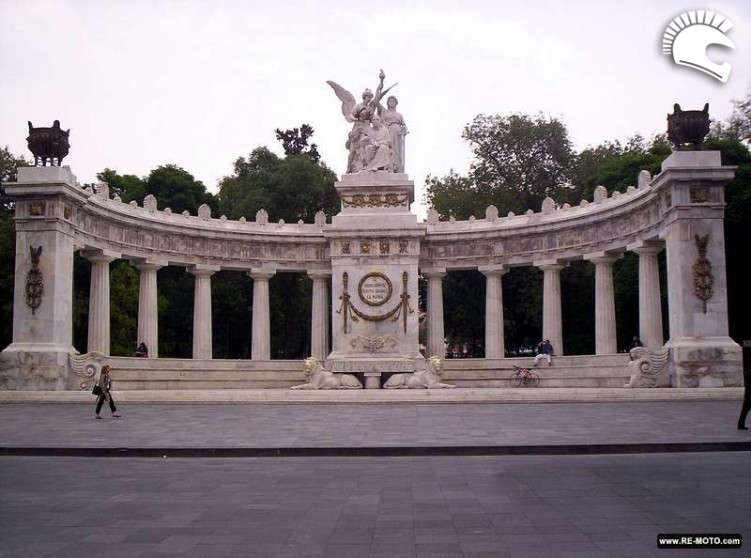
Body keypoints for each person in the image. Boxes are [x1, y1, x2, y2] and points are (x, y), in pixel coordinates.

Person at [378, 95, 408, 173]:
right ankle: (389, 165)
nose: (391, 103)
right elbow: (380, 122)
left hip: (398, 133)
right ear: (387, 103)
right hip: (388, 131)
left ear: (396, 103)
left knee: (397, 150)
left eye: (393, 101)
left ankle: (397, 167)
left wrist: (404, 130)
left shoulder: (399, 115)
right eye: (390, 101)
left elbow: (404, 125)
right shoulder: (384, 113)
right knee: (390, 148)